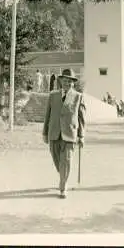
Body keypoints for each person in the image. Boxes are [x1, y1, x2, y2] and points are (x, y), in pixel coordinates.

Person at [42, 68, 86, 199]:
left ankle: (63, 187)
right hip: (54, 133)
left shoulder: (78, 97)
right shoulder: (53, 96)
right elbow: (47, 116)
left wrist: (81, 136)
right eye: (66, 80)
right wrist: (45, 133)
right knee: (57, 161)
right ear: (61, 81)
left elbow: (81, 118)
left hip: (70, 134)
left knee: (66, 161)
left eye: (71, 82)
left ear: (73, 83)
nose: (68, 83)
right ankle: (63, 177)